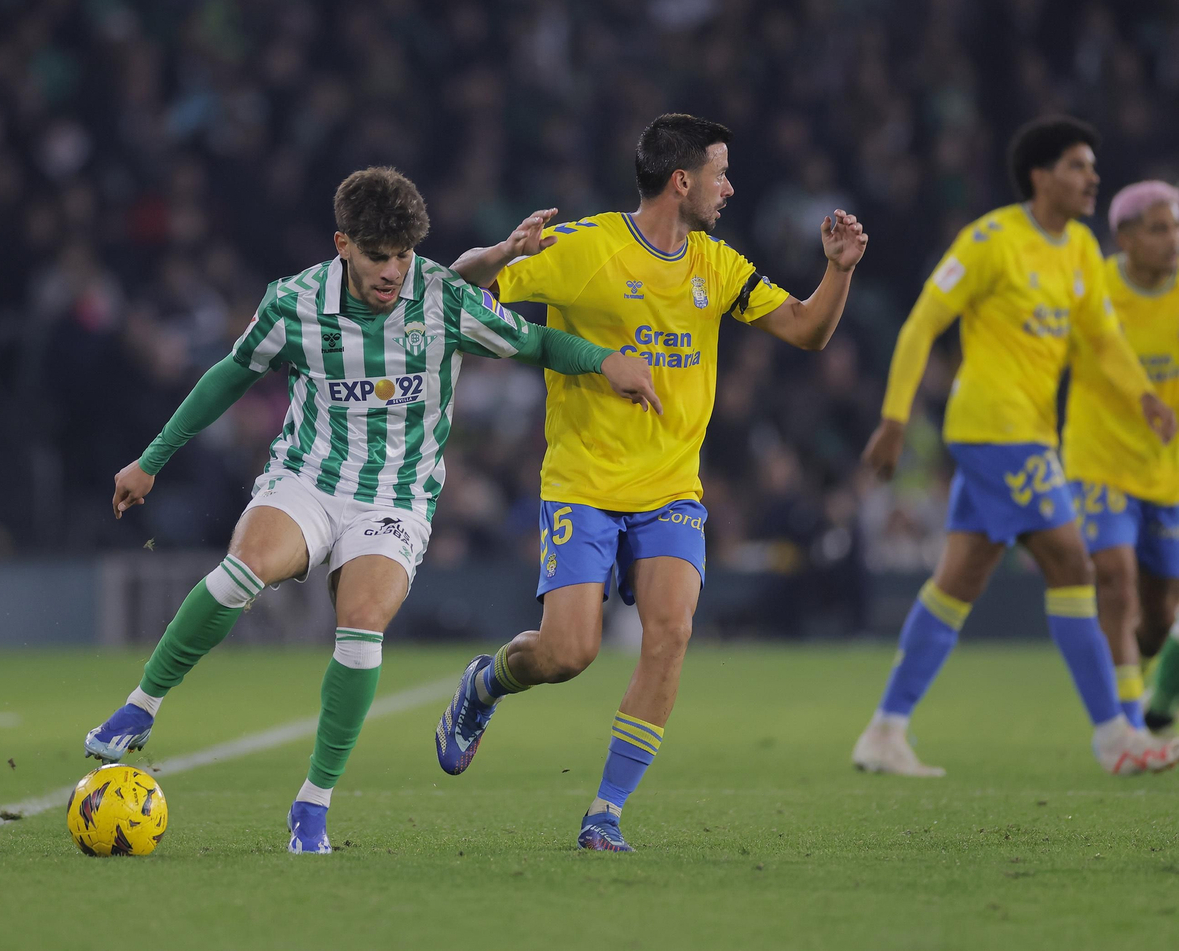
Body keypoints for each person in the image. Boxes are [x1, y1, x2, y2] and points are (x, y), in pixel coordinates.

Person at [81, 166, 663, 854]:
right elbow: (230, 374)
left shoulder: (441, 298)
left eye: (404, 255)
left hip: (397, 496)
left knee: (361, 624)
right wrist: (151, 459)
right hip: (307, 476)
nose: (392, 271)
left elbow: (535, 341)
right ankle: (139, 707)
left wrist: (604, 362)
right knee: (245, 567)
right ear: (343, 245)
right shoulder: (294, 302)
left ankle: (312, 806)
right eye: (378, 255)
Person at [437, 112, 868, 852]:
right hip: (582, 482)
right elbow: (450, 291)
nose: (728, 188)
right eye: (720, 173)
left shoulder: (716, 264)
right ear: (682, 180)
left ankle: (605, 811)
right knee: (568, 652)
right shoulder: (585, 248)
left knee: (670, 633)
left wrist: (839, 270)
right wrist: (503, 251)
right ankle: (486, 684)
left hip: (671, 489)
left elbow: (806, 330)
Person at [854, 117, 1179, 777]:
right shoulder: (991, 241)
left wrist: (1144, 393)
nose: (1092, 178)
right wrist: (894, 419)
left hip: (1030, 431)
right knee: (1073, 565)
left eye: (1092, 167)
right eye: (1078, 166)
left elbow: (1105, 337)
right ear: (1042, 175)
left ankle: (885, 729)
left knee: (959, 579)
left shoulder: (1082, 250)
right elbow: (922, 322)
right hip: (993, 428)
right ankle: (1115, 734)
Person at [1062, 180, 1179, 732]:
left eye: (1176, 226)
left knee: (1159, 617)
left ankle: (1138, 674)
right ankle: (1123, 722)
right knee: (1115, 576)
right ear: (1125, 238)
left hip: (1165, 471)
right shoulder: (1093, 289)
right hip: (1099, 459)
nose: (1173, 238)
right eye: (1159, 228)